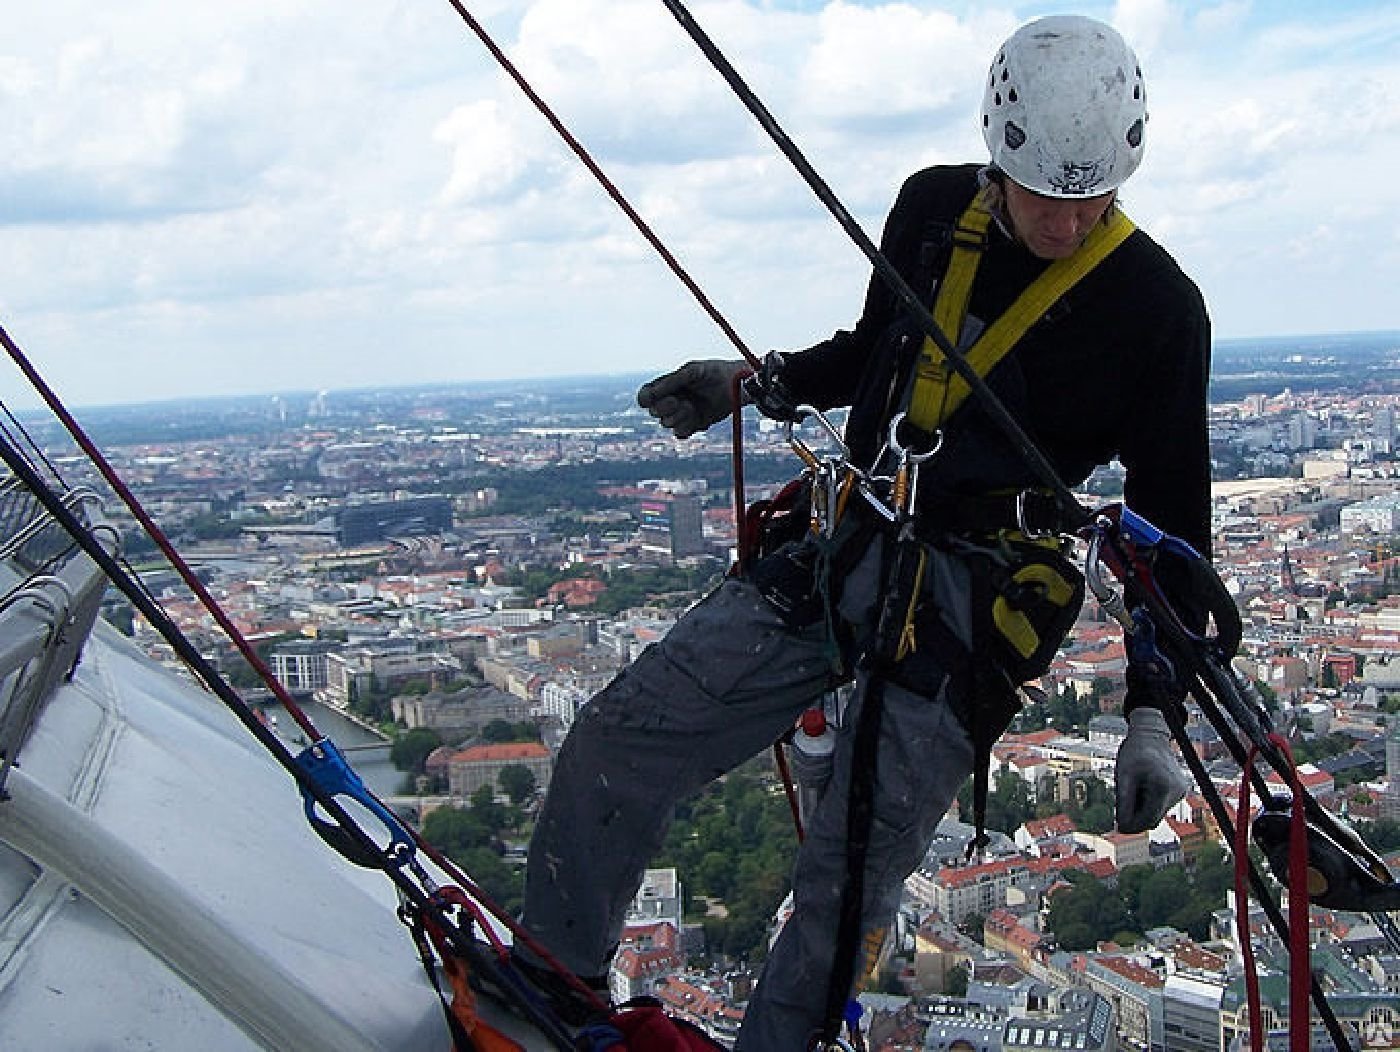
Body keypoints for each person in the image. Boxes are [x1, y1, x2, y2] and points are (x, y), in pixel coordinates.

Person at [517, 14, 1208, 1050]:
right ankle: (548, 979)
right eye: (1044, 200)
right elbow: (874, 346)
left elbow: (1172, 527)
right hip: (847, 543)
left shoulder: (1157, 308)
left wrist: (1156, 712)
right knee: (618, 738)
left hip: (968, 609)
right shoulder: (932, 212)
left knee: (844, 890)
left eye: (1090, 200)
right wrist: (755, 383)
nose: (1066, 225)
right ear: (997, 157)